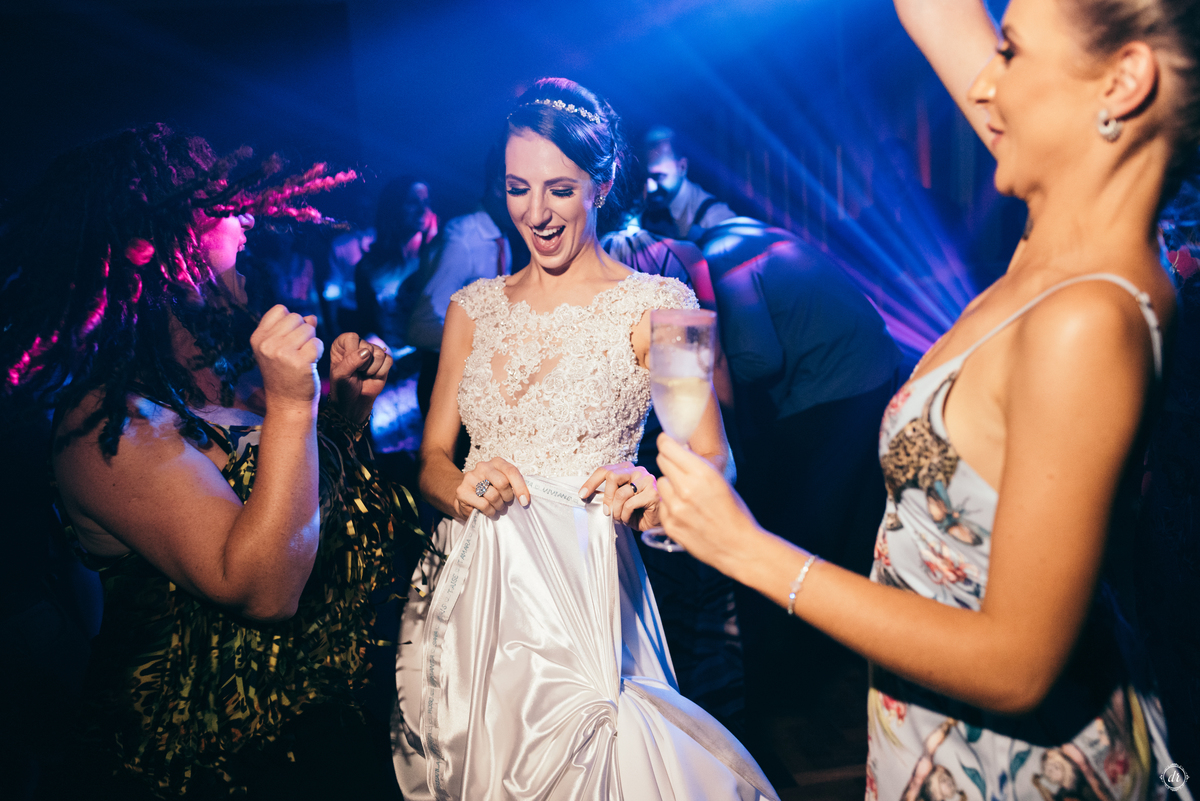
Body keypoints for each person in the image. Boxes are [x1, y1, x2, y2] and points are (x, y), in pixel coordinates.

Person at [654, 2, 1198, 801]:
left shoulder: (1092, 315)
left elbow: (1018, 663)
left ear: (1122, 82)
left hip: (1015, 768)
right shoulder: (1064, 223)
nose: (985, 86)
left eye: (1011, 53)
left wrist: (746, 548)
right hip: (938, 735)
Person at [0, 124, 417, 799]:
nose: (245, 230)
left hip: (307, 722)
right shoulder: (102, 426)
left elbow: (306, 518)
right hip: (199, 763)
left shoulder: (225, 382)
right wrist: (289, 408)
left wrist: (340, 412)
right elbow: (262, 589)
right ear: (155, 249)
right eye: (221, 220)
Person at [392, 78, 777, 800]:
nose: (534, 213)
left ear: (601, 186)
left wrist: (660, 491)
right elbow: (431, 461)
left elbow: (717, 458)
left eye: (559, 190)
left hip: (587, 593)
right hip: (475, 594)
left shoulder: (670, 309)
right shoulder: (468, 309)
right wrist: (462, 488)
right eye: (516, 187)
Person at [406, 144, 513, 419]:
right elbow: (421, 327)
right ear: (500, 186)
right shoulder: (461, 240)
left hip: (481, 384)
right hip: (447, 384)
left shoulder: (501, 236)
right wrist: (487, 344)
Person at [641, 125, 736, 241]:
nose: (650, 187)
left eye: (659, 176)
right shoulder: (643, 212)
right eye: (647, 176)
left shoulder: (716, 219)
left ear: (682, 167)